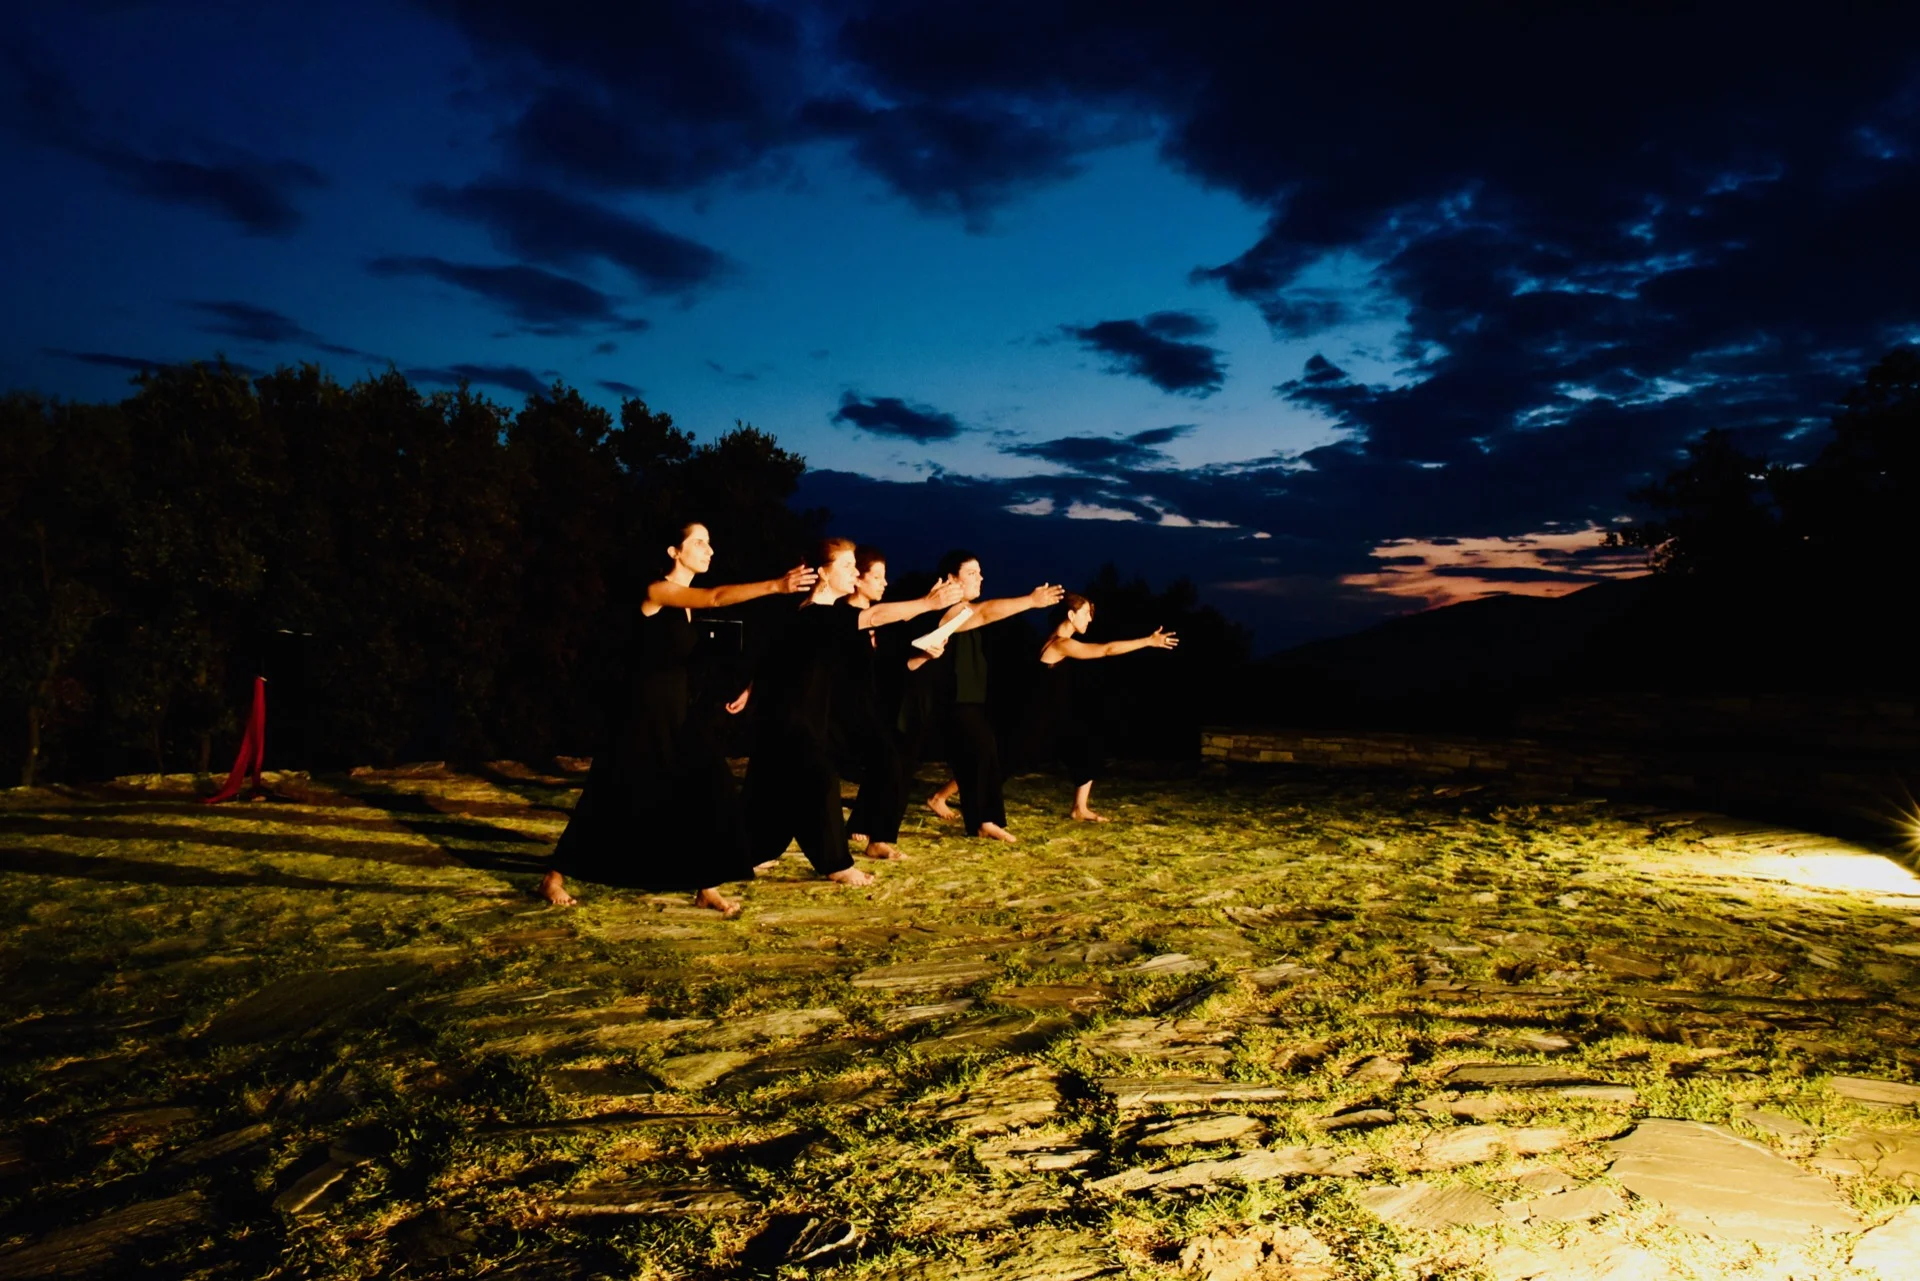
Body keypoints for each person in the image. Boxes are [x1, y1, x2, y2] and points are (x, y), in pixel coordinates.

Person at [539, 522, 816, 915]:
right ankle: (554, 874)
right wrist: (775, 586)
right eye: (699, 542)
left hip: (676, 710)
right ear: (673, 551)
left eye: (710, 542)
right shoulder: (657, 591)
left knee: (709, 786)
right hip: (640, 712)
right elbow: (717, 597)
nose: (709, 550)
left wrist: (743, 686)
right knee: (612, 792)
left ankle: (706, 885)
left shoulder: (686, 603)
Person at [745, 538, 962, 882]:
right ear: (824, 573)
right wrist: (926, 602)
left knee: (774, 791)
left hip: (810, 718)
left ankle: (753, 853)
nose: (854, 571)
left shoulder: (830, 616)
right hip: (789, 718)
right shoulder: (813, 614)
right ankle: (837, 864)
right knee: (820, 780)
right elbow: (871, 616)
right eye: (846, 566)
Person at [921, 550, 1063, 843]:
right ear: (951, 579)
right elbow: (985, 612)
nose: (981, 578)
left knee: (979, 755)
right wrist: (1031, 601)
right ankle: (984, 820)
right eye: (972, 573)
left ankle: (980, 821)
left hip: (966, 700)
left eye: (980, 572)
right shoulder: (947, 611)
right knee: (980, 750)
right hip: (948, 701)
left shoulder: (965, 611)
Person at [1017, 592, 1177, 821]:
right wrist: (1148, 641)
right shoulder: (1060, 643)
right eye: (1086, 614)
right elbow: (1106, 649)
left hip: (1056, 718)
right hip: (1039, 720)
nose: (1090, 619)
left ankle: (1079, 808)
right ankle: (944, 795)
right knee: (1004, 761)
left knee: (1088, 748)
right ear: (1071, 615)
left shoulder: (1056, 639)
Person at [840, 546, 926, 861]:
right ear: (856, 579)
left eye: (885, 576)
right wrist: (929, 602)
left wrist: (922, 655)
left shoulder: (885, 625)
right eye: (877, 576)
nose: (884, 583)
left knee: (894, 764)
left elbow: (892, 667)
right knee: (886, 763)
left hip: (876, 708)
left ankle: (877, 838)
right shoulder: (841, 617)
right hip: (841, 710)